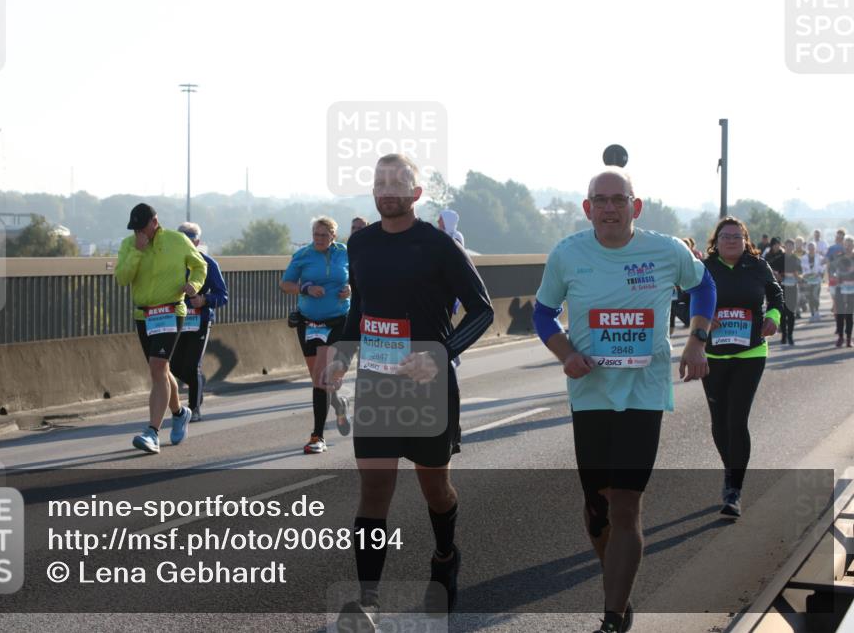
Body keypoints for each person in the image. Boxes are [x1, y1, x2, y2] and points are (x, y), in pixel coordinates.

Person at [532, 167, 715, 633]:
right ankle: (613, 570)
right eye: (601, 200)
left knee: (626, 504)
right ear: (587, 207)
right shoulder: (568, 254)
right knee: (598, 510)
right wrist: (566, 353)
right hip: (590, 393)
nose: (610, 208)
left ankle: (614, 614)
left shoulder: (666, 250)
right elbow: (542, 312)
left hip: (644, 392)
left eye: (619, 199)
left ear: (635, 206)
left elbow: (703, 285)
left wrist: (697, 339)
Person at [325, 154, 494, 630]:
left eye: (399, 182)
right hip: (378, 388)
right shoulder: (359, 244)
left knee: (434, 490)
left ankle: (445, 555)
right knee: (373, 491)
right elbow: (359, 310)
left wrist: (438, 354)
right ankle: (369, 601)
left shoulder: (438, 245)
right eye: (380, 182)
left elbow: (481, 311)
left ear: (417, 193)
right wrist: (340, 356)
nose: (388, 189)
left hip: (429, 389)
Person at [701, 217, 783, 518]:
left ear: (745, 239)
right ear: (717, 240)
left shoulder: (757, 266)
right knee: (719, 422)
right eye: (725, 236)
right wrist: (702, 319)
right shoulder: (705, 268)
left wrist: (773, 315)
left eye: (737, 236)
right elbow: (683, 301)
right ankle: (730, 468)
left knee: (737, 420)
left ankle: (734, 489)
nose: (731, 240)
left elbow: (776, 294)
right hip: (714, 354)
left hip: (751, 352)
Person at [115, 203, 207, 454]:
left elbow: (200, 265)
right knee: (160, 371)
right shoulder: (129, 245)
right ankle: (179, 412)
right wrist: (136, 252)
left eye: (142, 228)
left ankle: (152, 432)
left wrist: (194, 284)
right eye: (134, 229)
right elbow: (122, 278)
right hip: (144, 315)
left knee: (158, 366)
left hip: (170, 311)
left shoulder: (177, 241)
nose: (139, 233)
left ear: (154, 222)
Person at [280, 216, 352, 454]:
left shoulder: (345, 253)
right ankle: (339, 404)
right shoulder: (303, 255)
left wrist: (351, 288)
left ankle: (317, 436)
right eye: (315, 235)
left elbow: (359, 276)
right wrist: (305, 288)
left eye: (323, 235)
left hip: (338, 321)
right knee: (320, 380)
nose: (319, 239)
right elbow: (285, 284)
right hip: (309, 324)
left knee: (322, 378)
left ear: (333, 236)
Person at [169, 222, 229, 423]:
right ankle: (198, 383)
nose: (186, 243)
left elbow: (223, 296)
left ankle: (194, 409)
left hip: (199, 321)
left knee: (193, 365)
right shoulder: (169, 264)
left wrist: (205, 300)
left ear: (198, 242)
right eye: (182, 239)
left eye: (190, 239)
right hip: (175, 320)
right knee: (175, 367)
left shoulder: (208, 264)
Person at [767, 238, 800, 345]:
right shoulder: (780, 258)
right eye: (788, 245)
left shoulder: (796, 259)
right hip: (782, 288)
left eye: (792, 246)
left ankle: (790, 335)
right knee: (783, 312)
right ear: (785, 247)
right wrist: (777, 275)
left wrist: (797, 275)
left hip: (793, 288)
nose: (789, 248)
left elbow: (801, 273)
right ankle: (784, 335)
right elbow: (769, 267)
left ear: (794, 247)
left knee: (791, 313)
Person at [829, 235, 854, 347]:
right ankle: (840, 337)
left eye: (850, 244)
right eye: (846, 244)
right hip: (840, 287)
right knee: (840, 313)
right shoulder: (839, 257)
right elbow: (832, 270)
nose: (848, 247)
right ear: (843, 246)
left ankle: (848, 338)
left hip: (852, 289)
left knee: (849, 314)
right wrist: (834, 276)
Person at [826, 229, 848, 325]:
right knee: (835, 301)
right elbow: (827, 263)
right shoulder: (831, 249)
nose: (839, 239)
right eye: (837, 237)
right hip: (833, 278)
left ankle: (845, 321)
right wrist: (828, 277)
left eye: (841, 237)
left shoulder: (848, 248)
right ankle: (838, 323)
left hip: (846, 279)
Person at [800, 241, 826, 321]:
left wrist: (820, 273)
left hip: (817, 280)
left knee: (815, 296)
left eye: (813, 248)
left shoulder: (819, 257)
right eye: (810, 247)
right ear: (807, 248)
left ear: (815, 248)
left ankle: (817, 312)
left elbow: (823, 267)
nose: (811, 249)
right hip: (808, 280)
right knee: (810, 297)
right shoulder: (804, 258)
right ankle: (812, 314)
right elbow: (802, 269)